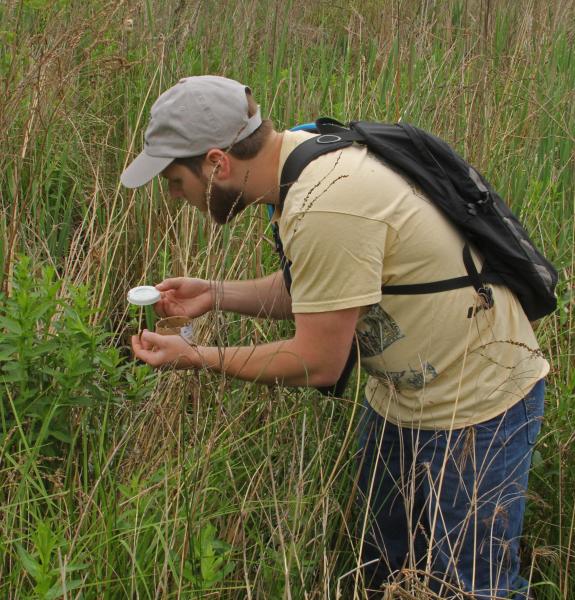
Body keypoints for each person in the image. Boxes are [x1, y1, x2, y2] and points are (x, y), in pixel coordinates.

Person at [122, 75, 549, 599]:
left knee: (472, 586)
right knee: (388, 572)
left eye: (174, 181)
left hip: (478, 406)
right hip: (401, 401)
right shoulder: (302, 158)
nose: (176, 197)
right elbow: (329, 290)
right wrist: (214, 293)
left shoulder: (325, 203)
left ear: (216, 163)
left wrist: (196, 356)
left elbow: (318, 360)